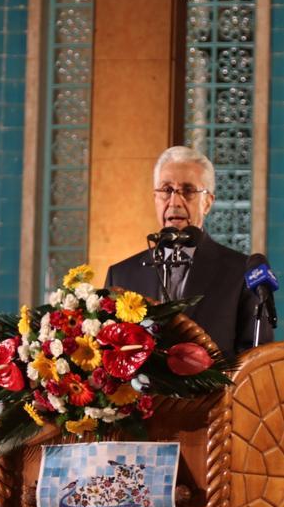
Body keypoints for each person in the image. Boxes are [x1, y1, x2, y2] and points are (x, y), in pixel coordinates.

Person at [105, 145, 273, 358]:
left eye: (188, 191)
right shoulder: (121, 275)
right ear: (155, 198)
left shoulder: (241, 273)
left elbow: (256, 362)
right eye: (166, 190)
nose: (174, 202)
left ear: (208, 202)